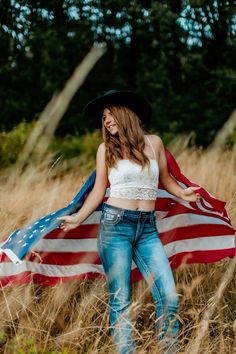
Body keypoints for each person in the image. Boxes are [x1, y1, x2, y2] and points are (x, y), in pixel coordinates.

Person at [58, 90, 201, 354]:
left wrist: (182, 193)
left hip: (147, 229)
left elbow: (166, 180)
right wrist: (78, 218)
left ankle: (168, 349)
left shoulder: (154, 143)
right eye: (103, 117)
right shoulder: (105, 150)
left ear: (125, 113)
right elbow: (99, 190)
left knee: (169, 297)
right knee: (121, 301)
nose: (107, 121)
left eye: (110, 114)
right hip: (115, 228)